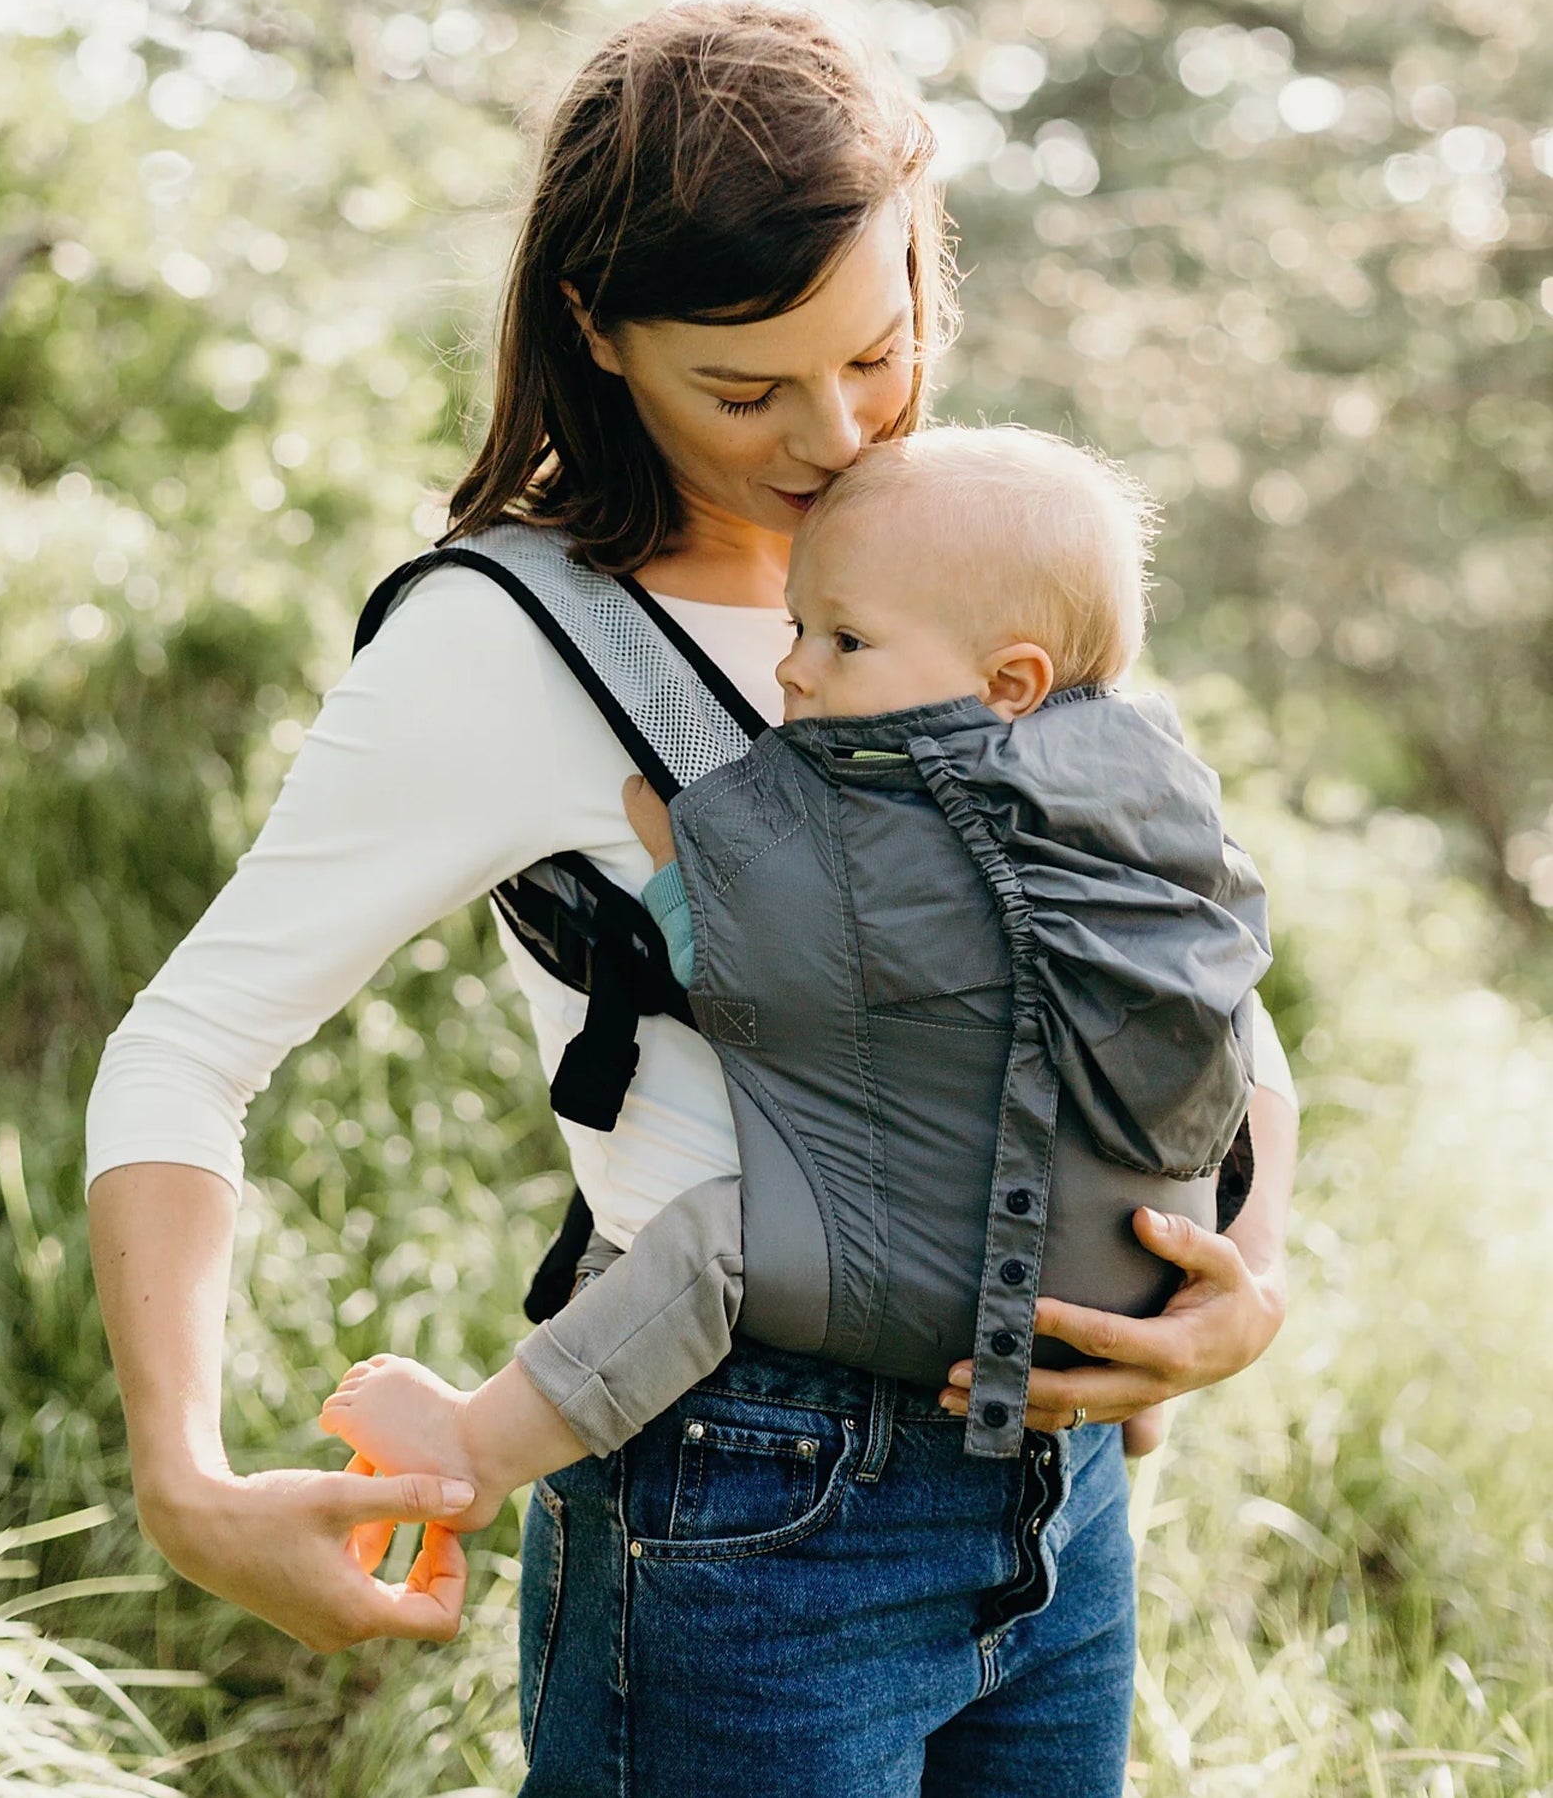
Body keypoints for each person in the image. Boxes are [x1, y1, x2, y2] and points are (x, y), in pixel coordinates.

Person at [84, 5, 1297, 1793]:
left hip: (1060, 1499)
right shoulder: (501, 644)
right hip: (737, 1506)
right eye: (745, 388)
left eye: (878, 355)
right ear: (596, 328)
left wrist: (1243, 1278)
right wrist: (183, 1477)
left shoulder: (980, 546)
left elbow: (1173, 962)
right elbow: (187, 1049)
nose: (831, 438)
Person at [316, 423, 1271, 1512]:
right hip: (1143, 1270)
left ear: (1010, 678)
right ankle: (1128, 1380)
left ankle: (472, 1448)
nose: (793, 667)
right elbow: (1234, 1002)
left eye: (844, 642)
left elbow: (750, 972)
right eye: (796, 625)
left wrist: (682, 858)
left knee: (722, 1238)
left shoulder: (865, 818)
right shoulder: (1157, 787)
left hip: (934, 1300)